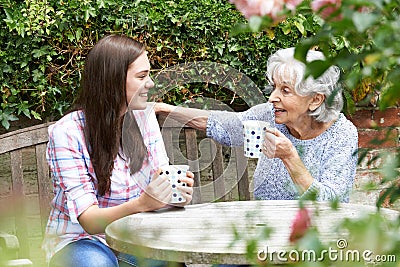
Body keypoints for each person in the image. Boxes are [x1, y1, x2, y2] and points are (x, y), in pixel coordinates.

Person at [42, 34, 194, 267]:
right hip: (82, 241)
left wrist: (173, 194)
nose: (150, 83)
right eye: (142, 76)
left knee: (172, 261)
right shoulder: (67, 132)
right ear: (112, 81)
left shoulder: (144, 120)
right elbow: (90, 221)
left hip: (135, 237)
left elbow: (160, 180)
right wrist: (142, 204)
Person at [154, 47, 358, 203]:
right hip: (263, 231)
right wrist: (163, 108)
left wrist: (289, 157)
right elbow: (221, 124)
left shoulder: (341, 134)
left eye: (285, 90)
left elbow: (333, 203)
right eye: (274, 87)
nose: (272, 98)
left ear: (315, 99)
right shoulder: (269, 115)